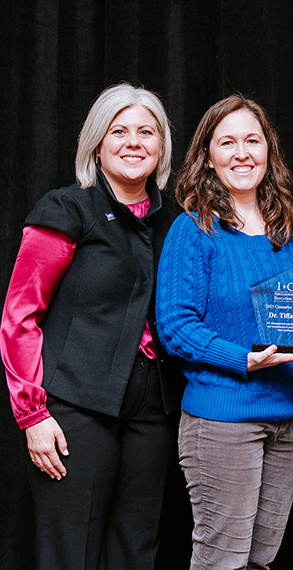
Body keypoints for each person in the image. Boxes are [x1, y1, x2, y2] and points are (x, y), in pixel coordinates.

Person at [155, 94, 293, 570]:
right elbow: (175, 327)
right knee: (222, 562)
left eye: (252, 140)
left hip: (288, 421)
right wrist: (244, 358)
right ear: (208, 157)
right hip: (223, 421)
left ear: (268, 151)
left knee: (259, 563)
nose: (242, 153)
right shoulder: (193, 231)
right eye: (227, 142)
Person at [0, 83, 184, 570]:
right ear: (97, 142)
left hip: (153, 410)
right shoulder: (67, 209)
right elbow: (21, 315)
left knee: (137, 548)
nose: (133, 142)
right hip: (75, 407)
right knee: (71, 552)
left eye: (147, 132)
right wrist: (32, 415)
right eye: (119, 131)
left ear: (162, 146)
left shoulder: (178, 223)